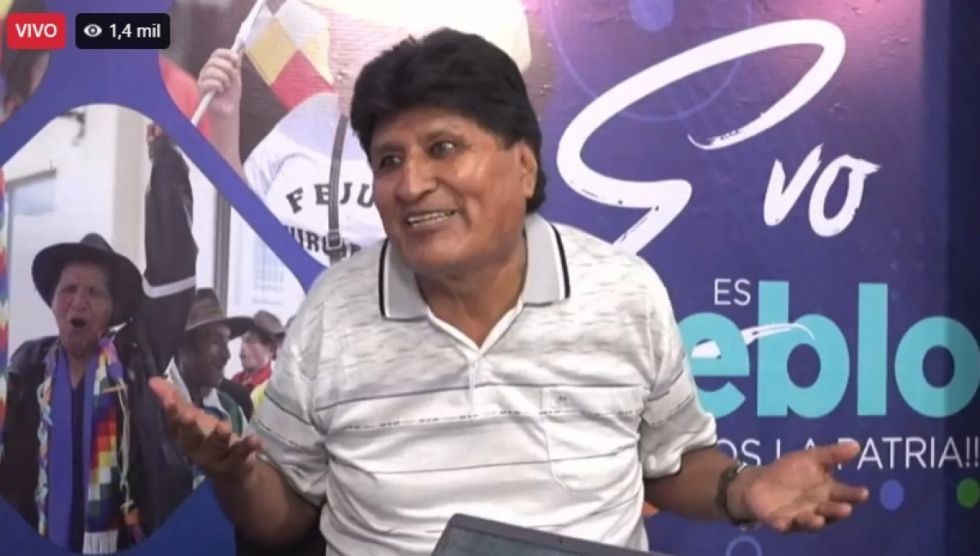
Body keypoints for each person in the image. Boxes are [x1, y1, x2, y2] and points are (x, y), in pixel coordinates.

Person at [151, 29, 869, 555]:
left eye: (443, 148)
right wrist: (236, 476)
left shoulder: (621, 294)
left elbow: (673, 464)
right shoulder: (331, 314)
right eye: (390, 159)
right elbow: (283, 519)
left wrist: (742, 489)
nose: (411, 183)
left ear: (523, 167)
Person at [196, 0, 532, 268]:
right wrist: (224, 117)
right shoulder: (310, 117)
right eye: (335, 39)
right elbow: (237, 218)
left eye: (353, 42)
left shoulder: (452, 144)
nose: (335, 59)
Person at [0, 137, 198, 554]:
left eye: (94, 292)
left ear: (113, 310)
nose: (79, 302)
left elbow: (172, 270)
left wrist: (165, 161)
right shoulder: (26, 368)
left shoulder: (136, 357)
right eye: (69, 289)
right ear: (53, 301)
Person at [167, 288, 251, 438]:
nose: (227, 354)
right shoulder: (156, 405)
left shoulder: (232, 412)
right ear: (183, 344)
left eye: (226, 341)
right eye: (216, 341)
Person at [232, 310, 285, 408]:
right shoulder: (235, 380)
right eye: (242, 340)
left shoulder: (274, 390)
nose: (243, 347)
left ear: (271, 349)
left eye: (250, 340)